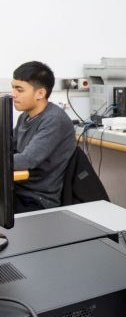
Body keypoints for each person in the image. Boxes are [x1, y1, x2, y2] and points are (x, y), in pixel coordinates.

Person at [12, 61, 76, 212]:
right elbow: (9, 148)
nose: (13, 94)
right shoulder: (25, 116)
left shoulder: (54, 120)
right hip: (17, 190)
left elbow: (27, 160)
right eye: (13, 88)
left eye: (19, 89)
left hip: (36, 199)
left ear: (40, 93)